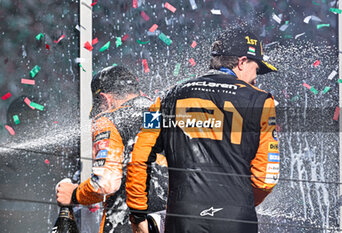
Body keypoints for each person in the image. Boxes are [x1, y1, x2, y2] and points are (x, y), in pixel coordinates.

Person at [126, 27, 280, 233]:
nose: (256, 77)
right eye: (257, 69)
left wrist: (137, 214)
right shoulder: (262, 101)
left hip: (182, 219)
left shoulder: (164, 98)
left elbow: (139, 156)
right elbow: (266, 179)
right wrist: (236, 205)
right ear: (242, 62)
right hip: (236, 220)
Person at [56, 66, 156, 233]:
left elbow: (106, 183)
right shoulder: (162, 113)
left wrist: (73, 194)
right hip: (169, 220)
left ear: (104, 100)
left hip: (126, 223)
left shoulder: (109, 120)